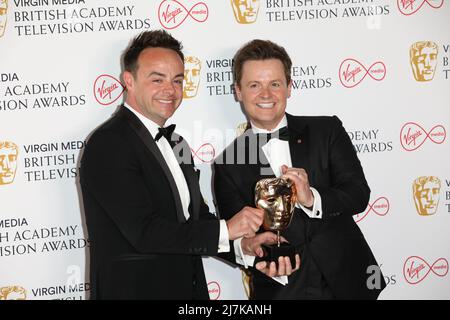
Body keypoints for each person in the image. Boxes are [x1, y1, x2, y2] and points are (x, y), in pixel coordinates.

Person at [79, 30, 264, 300]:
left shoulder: (177, 142)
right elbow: (145, 232)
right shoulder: (108, 144)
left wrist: (242, 245)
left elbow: (196, 220)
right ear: (128, 81)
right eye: (157, 79)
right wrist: (227, 229)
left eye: (177, 80)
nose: (170, 90)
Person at [213, 39, 386, 299]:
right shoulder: (227, 164)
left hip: (349, 282)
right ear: (238, 91)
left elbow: (359, 195)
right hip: (282, 291)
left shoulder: (327, 130)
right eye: (254, 85)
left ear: (289, 87)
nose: (266, 94)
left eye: (275, 84)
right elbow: (233, 239)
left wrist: (311, 197)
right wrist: (250, 248)